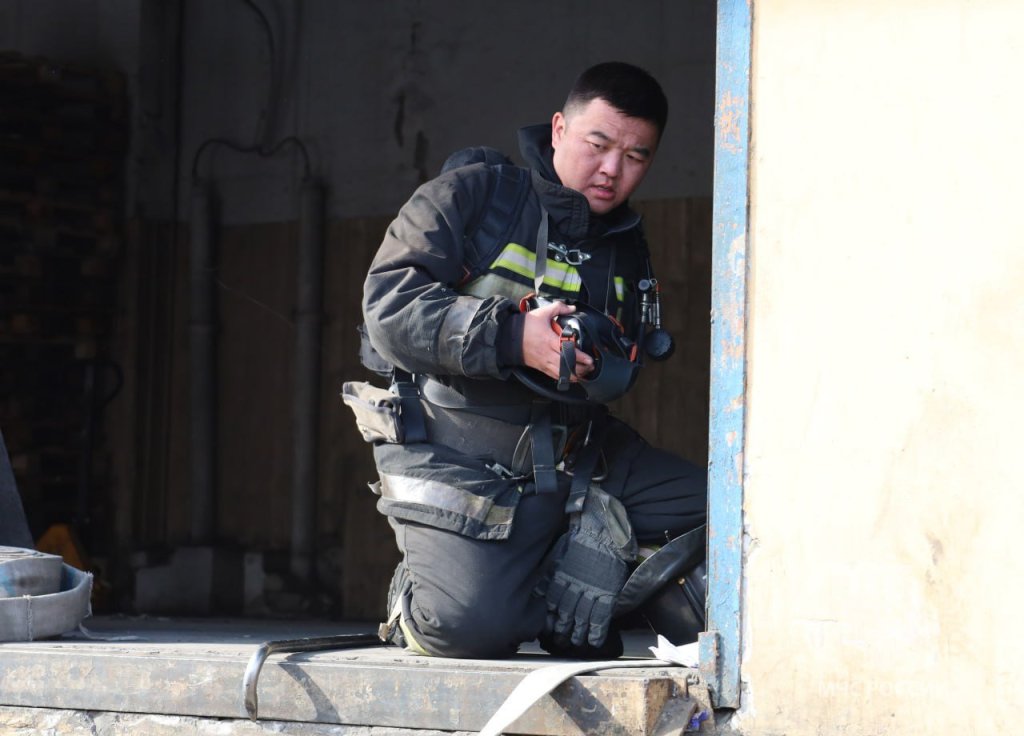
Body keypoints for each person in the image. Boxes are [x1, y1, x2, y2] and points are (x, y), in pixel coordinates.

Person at [351, 61, 707, 660]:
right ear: (560, 128)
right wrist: (514, 338)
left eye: (636, 156)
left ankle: (582, 559)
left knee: (732, 514)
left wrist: (592, 361)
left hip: (580, 458)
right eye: (598, 144)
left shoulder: (624, 242)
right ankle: (426, 591)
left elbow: (623, 365)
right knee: (465, 628)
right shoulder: (473, 195)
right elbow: (390, 309)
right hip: (458, 455)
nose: (612, 169)